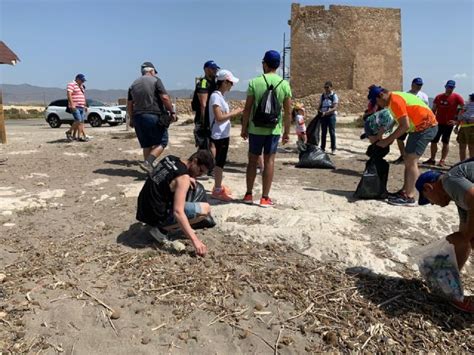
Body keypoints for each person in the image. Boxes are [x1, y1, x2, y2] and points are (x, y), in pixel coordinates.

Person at [416, 159, 474, 312]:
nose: (433, 204)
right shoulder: (460, 197)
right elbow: (465, 239)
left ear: (428, 188)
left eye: (428, 200)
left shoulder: (450, 180)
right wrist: (447, 280)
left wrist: (466, 235)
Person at [368, 85, 438, 206]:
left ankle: (410, 196)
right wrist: (382, 134)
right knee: (407, 158)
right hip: (418, 128)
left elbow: (404, 126)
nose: (377, 104)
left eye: (377, 101)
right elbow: (396, 120)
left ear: (381, 96)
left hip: (426, 127)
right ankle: (404, 191)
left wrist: (387, 141)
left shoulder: (395, 100)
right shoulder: (393, 100)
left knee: (411, 160)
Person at [136, 150, 215, 257]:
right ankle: (160, 231)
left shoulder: (170, 158)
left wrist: (188, 178)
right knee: (205, 209)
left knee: (186, 191)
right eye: (200, 170)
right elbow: (178, 212)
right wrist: (195, 241)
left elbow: (167, 177)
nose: (199, 174)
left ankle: (167, 226)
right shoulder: (183, 178)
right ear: (195, 161)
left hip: (144, 208)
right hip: (155, 216)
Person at [241, 50, 292, 207]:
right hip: (273, 130)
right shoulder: (284, 84)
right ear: (278, 65)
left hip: (255, 129)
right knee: (269, 161)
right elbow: (288, 111)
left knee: (252, 160)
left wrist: (244, 128)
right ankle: (264, 198)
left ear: (265, 64)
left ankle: (248, 195)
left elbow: (247, 109)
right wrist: (287, 132)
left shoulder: (254, 82)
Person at [127, 61, 177, 174]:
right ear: (151, 71)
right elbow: (164, 97)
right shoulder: (156, 81)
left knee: (147, 144)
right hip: (153, 115)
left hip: (138, 117)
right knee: (162, 142)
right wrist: (172, 111)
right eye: (154, 72)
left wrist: (131, 118)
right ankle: (148, 162)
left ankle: (148, 172)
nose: (155, 74)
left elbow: (129, 104)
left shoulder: (133, 84)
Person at [208, 69, 243, 201]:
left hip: (222, 134)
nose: (232, 85)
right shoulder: (216, 96)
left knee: (220, 162)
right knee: (219, 163)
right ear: (224, 83)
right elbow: (219, 117)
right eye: (230, 83)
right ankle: (217, 190)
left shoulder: (220, 96)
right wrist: (236, 112)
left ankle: (218, 186)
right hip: (218, 135)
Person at [424, 80, 465, 167]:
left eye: (451, 87)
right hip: (438, 123)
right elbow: (433, 109)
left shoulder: (457, 97)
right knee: (434, 141)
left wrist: (456, 121)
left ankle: (442, 160)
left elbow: (463, 109)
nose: (449, 89)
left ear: (454, 88)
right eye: (448, 87)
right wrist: (430, 121)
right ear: (445, 86)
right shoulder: (439, 97)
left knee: (445, 142)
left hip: (448, 124)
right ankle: (432, 159)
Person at [394, 77, 430, 164]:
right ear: (412, 84)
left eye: (420, 85)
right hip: (406, 121)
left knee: (414, 141)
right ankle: (403, 155)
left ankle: (412, 158)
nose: (419, 86)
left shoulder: (424, 96)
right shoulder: (404, 94)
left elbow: (427, 108)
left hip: (418, 122)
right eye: (417, 84)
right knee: (399, 139)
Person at [191, 60, 220, 150]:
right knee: (203, 145)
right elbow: (203, 105)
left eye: (216, 69)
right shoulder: (203, 83)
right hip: (204, 119)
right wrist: (203, 123)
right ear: (206, 70)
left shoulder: (214, 83)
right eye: (213, 69)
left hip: (212, 118)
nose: (215, 70)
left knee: (212, 144)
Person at [66, 74, 90, 142]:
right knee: (78, 120)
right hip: (75, 106)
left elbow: (83, 96)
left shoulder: (81, 86)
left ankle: (79, 137)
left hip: (82, 106)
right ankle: (69, 132)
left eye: (83, 81)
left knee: (81, 122)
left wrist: (85, 105)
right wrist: (72, 104)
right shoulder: (71, 84)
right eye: (82, 80)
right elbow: (69, 94)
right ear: (77, 79)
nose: (83, 82)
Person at [318, 81, 339, 154]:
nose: (326, 89)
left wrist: (327, 112)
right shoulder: (322, 96)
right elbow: (319, 106)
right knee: (323, 132)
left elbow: (335, 107)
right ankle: (322, 148)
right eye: (325, 87)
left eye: (327, 87)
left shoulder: (334, 96)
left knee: (332, 132)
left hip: (331, 116)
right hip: (323, 116)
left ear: (331, 87)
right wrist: (319, 112)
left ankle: (333, 148)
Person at [456, 93, 474, 161]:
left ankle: (466, 163)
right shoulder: (466, 105)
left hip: (466, 126)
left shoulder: (466, 104)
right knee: (469, 147)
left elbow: (460, 115)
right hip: (465, 126)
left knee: (466, 147)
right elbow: (460, 114)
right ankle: (467, 163)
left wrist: (457, 126)